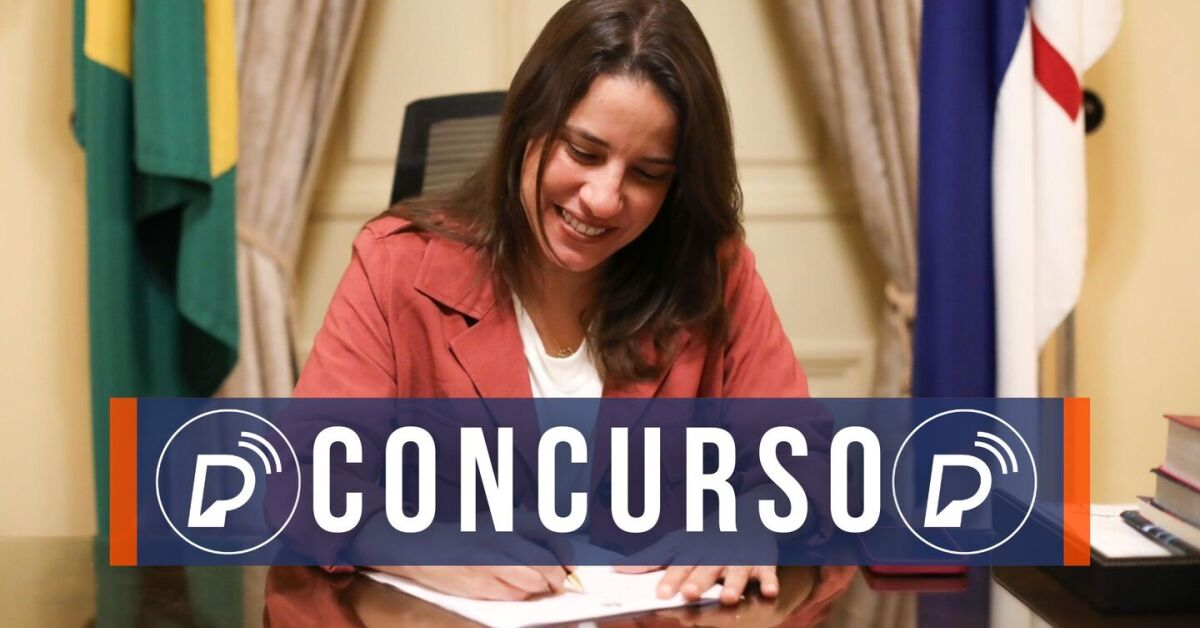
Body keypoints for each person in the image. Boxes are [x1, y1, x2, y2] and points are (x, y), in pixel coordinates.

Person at [295, 0, 809, 606]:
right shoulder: (397, 266)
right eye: (584, 152)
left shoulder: (714, 275)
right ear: (527, 125)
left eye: (647, 174)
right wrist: (417, 545)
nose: (604, 199)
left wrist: (757, 518)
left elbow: (814, 466)